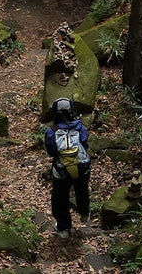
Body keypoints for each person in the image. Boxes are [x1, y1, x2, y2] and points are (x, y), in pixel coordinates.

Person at [44, 97, 91, 237]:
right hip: (82, 167)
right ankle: (84, 213)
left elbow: (51, 152)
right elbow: (85, 145)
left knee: (59, 198)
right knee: (82, 190)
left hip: (61, 170)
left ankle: (64, 228)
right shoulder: (81, 127)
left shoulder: (51, 132)